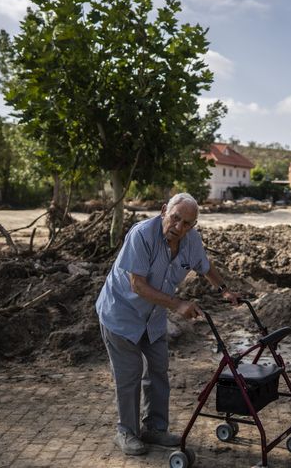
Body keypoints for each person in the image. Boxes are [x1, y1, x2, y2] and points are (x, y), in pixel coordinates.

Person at [96, 192, 238, 456]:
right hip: (121, 314)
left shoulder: (190, 240)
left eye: (187, 224)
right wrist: (178, 304)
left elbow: (204, 266)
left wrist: (224, 290)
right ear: (164, 211)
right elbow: (137, 285)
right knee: (130, 375)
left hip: (153, 317)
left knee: (158, 371)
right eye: (175, 219)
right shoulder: (142, 235)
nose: (179, 227)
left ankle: (155, 428)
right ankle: (126, 432)